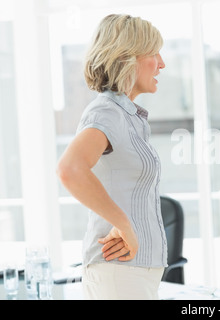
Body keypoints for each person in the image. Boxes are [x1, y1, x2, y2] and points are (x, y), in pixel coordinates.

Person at [57, 14, 167, 300]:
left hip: (134, 273)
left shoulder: (127, 116)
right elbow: (70, 168)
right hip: (119, 273)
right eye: (154, 53)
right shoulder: (107, 111)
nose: (162, 63)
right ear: (127, 58)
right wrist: (124, 224)